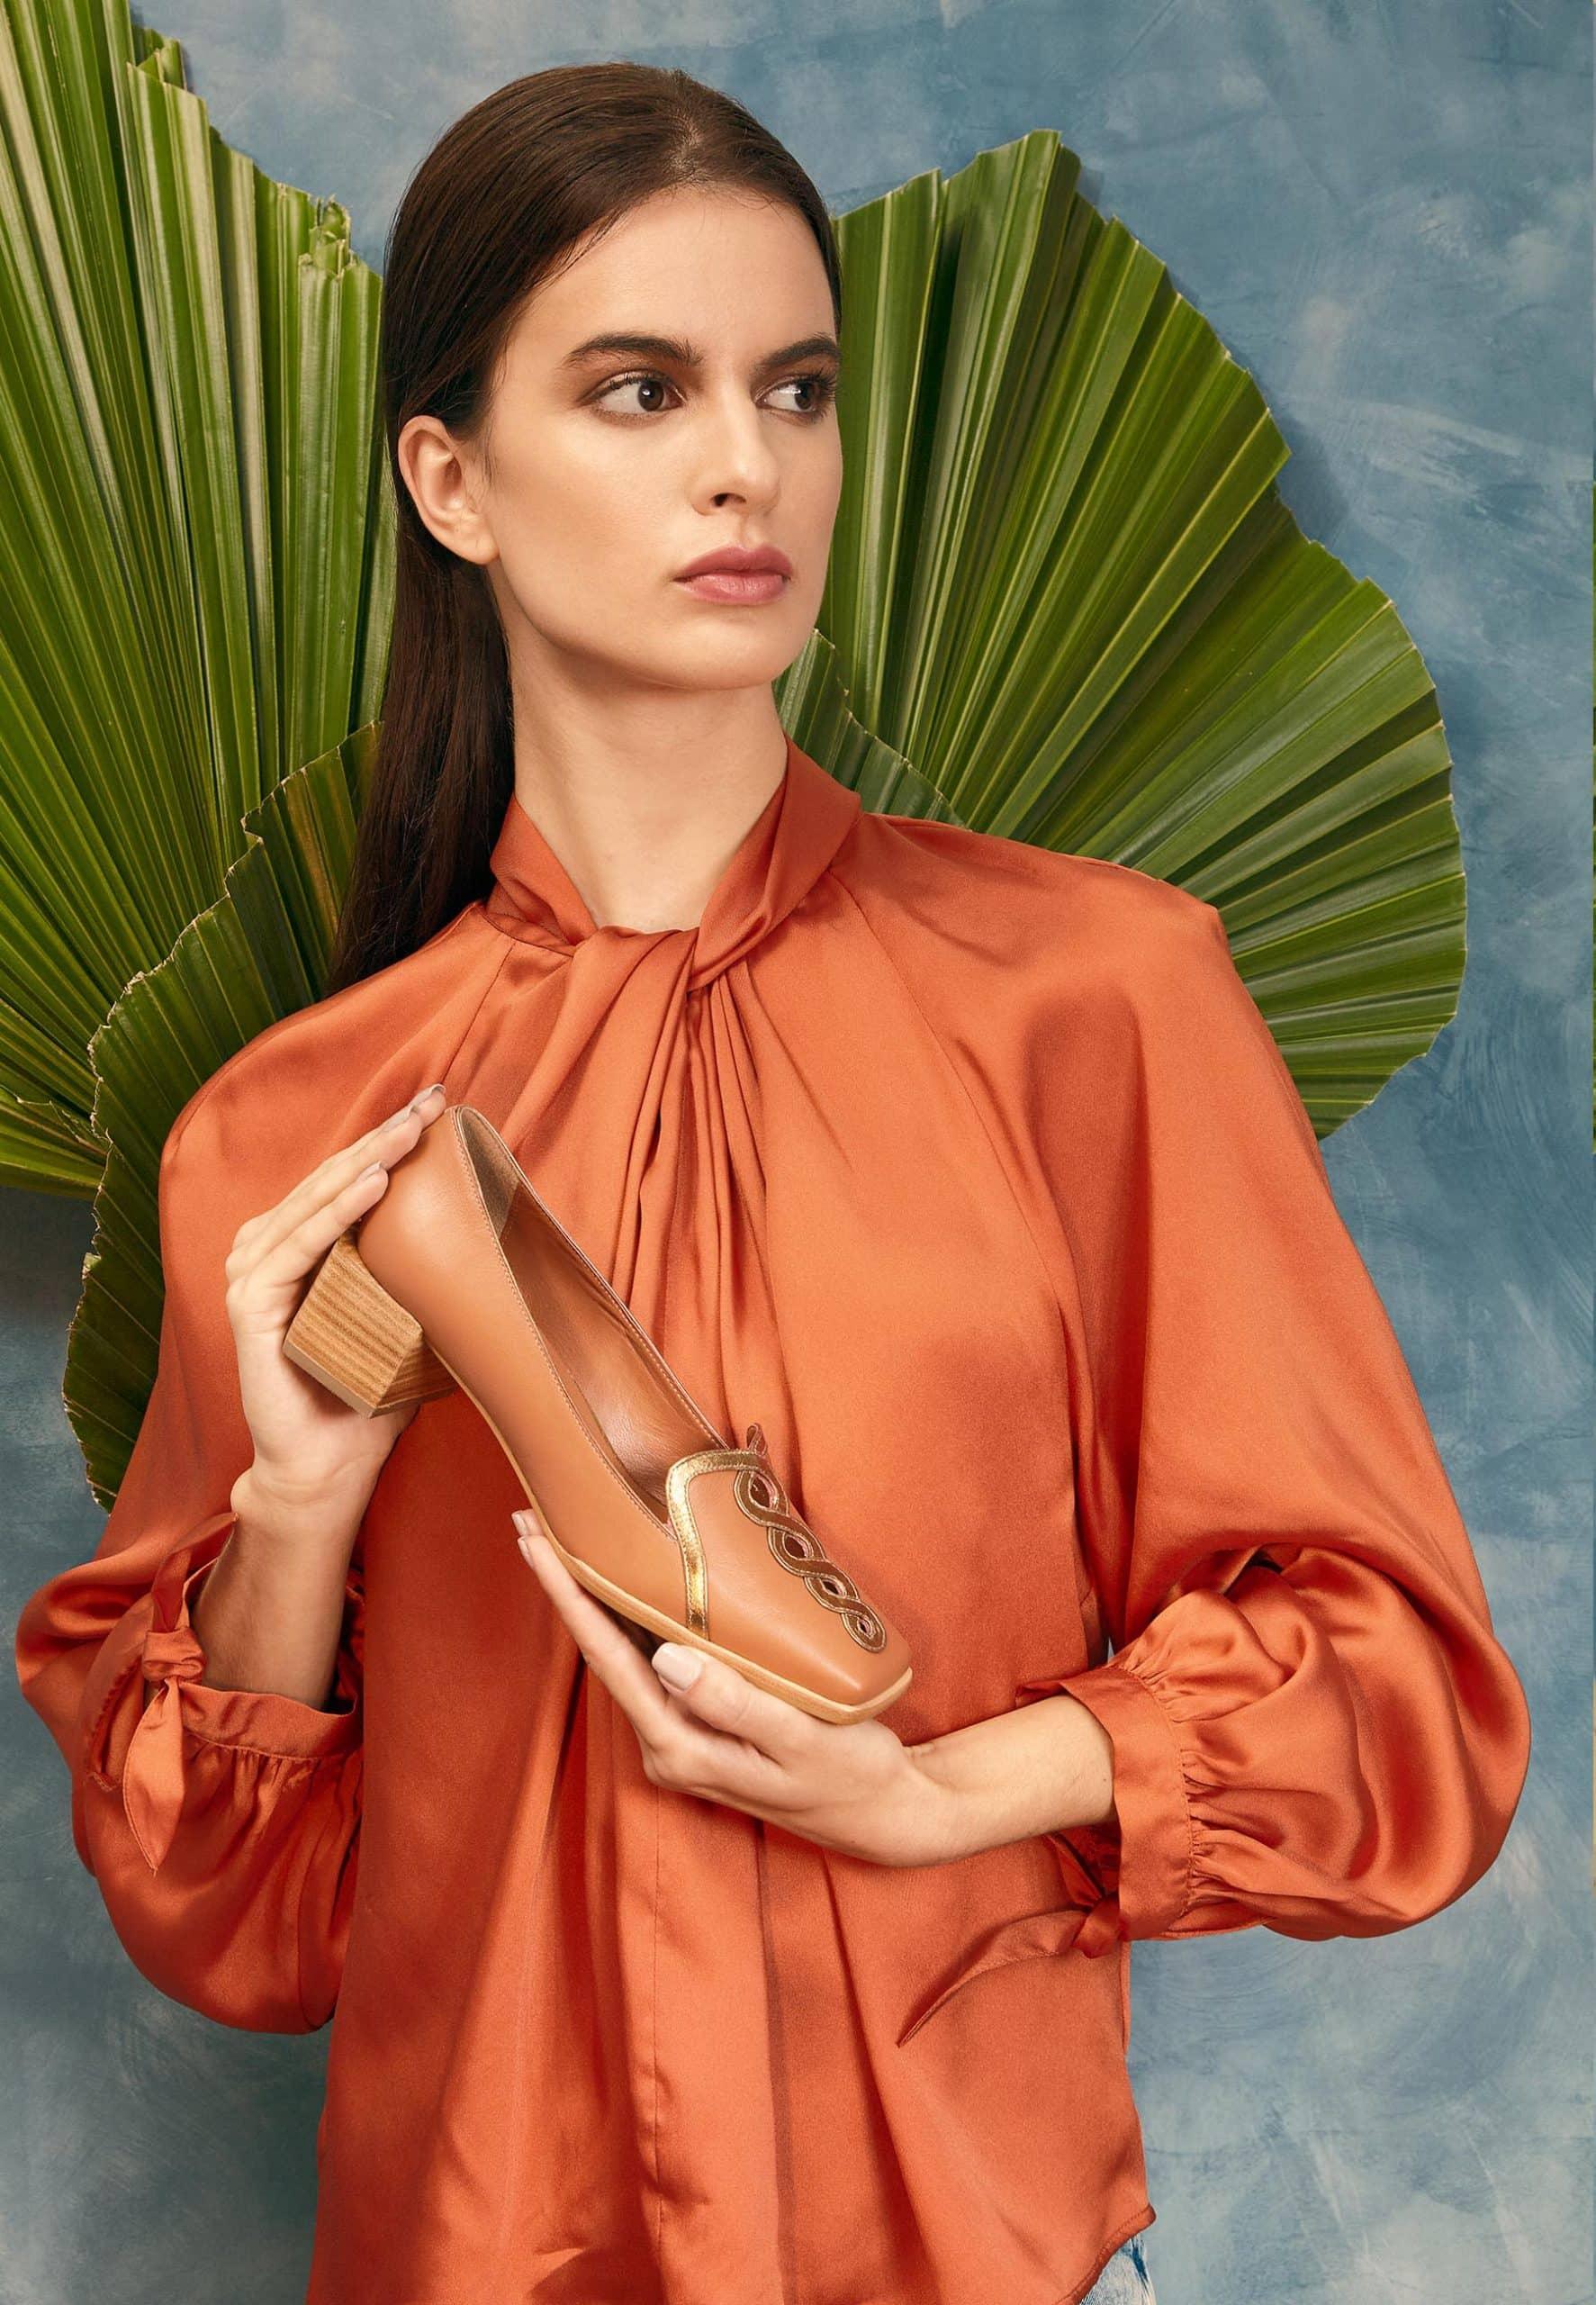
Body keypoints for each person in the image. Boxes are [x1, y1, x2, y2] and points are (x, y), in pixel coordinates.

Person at [13, 61, 1529, 2305]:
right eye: (639, 391)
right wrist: (302, 1509)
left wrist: (946, 1788)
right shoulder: (298, 1127)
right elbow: (241, 1928)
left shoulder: (1093, 999)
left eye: (793, 390)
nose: (748, 467)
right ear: (453, 481)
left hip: (959, 2242)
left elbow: (1393, 1689)